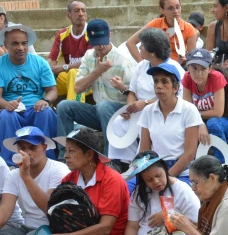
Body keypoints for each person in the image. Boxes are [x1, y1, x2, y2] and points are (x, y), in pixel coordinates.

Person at [56, 19, 138, 156]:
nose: (100, 46)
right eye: (96, 41)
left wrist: (122, 88)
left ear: (110, 35)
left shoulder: (123, 59)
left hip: (122, 112)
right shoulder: (88, 56)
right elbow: (77, 88)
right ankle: (64, 155)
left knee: (104, 106)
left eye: (103, 40)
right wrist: (98, 71)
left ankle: (109, 158)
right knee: (64, 106)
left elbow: (135, 92)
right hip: (99, 112)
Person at [107, 28, 185, 167]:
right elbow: (132, 92)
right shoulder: (141, 66)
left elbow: (177, 97)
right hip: (139, 111)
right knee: (119, 123)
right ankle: (125, 163)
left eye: (142, 46)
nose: (139, 48)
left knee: (146, 126)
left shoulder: (175, 68)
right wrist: (129, 108)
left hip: (163, 113)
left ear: (152, 52)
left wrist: (146, 103)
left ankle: (140, 165)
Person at [135, 62, 202, 191]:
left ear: (175, 88)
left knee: (177, 196)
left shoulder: (189, 110)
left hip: (181, 171)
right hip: (153, 168)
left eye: (164, 82)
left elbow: (190, 153)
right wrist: (148, 177)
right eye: (156, 82)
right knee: (129, 191)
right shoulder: (148, 111)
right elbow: (144, 151)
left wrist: (167, 176)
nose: (159, 86)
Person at [0, 25, 58, 168]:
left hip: (35, 108)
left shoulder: (40, 63)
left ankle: (48, 159)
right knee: (7, 115)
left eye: (24, 43)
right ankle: (11, 163)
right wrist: (7, 104)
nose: (20, 47)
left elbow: (53, 91)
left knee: (46, 111)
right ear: (6, 45)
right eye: (15, 43)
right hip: (12, 109)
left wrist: (45, 100)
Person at [181, 48, 228, 163]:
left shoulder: (217, 77)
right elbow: (187, 109)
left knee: (213, 123)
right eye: (194, 68)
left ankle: (221, 165)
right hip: (203, 121)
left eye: (203, 69)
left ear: (210, 69)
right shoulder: (187, 78)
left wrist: (198, 120)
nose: (198, 73)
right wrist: (200, 124)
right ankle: (188, 165)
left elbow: (218, 112)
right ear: (188, 68)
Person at [125, 0, 198, 66]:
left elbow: (192, 58)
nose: (176, 11)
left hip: (178, 68)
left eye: (177, 7)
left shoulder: (189, 28)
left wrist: (184, 62)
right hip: (156, 68)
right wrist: (142, 64)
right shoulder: (155, 24)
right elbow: (130, 43)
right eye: (170, 8)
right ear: (162, 10)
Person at [47, 1, 90, 102]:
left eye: (83, 11)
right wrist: (45, 71)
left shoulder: (91, 32)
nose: (81, 14)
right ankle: (42, 110)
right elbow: (52, 60)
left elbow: (88, 62)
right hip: (70, 77)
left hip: (91, 78)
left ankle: (74, 111)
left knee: (73, 73)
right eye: (76, 11)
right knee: (46, 77)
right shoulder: (62, 34)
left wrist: (64, 67)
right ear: (68, 15)